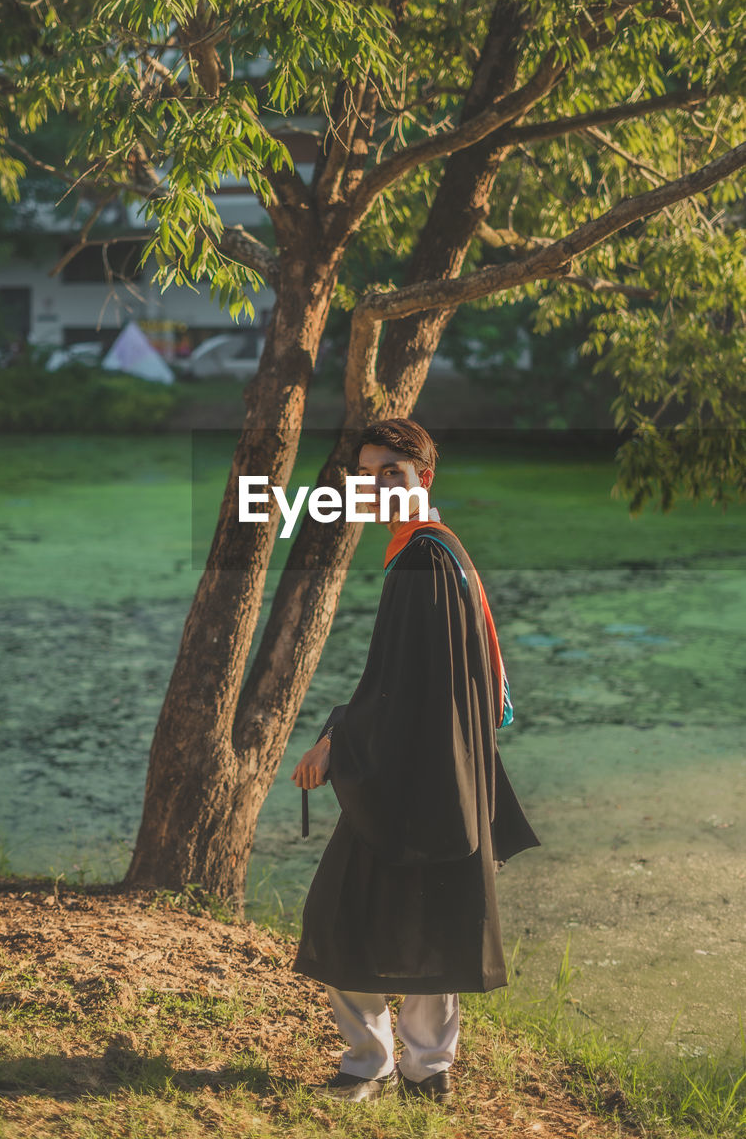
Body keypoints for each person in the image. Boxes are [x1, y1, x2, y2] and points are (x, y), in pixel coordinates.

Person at [290, 418, 540, 1105]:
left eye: (391, 475)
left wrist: (337, 739)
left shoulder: (423, 561)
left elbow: (404, 687)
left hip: (414, 772)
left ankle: (385, 1066)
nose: (376, 488)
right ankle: (411, 1069)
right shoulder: (432, 550)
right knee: (429, 918)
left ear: (421, 479)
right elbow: (416, 681)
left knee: (346, 916)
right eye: (367, 477)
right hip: (440, 767)